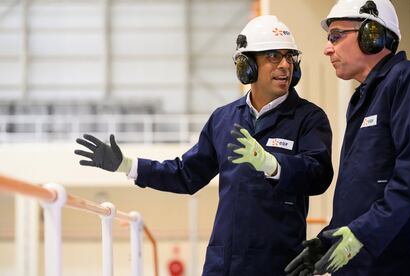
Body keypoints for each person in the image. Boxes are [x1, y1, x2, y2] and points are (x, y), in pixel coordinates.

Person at [75, 15, 333, 275]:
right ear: (248, 66)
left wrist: (272, 164)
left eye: (290, 57)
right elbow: (186, 175)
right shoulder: (224, 119)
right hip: (223, 265)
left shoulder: (308, 118)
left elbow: (319, 175)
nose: (285, 66)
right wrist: (128, 165)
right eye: (274, 56)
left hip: (279, 265)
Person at [285, 0, 410, 275]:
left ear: (372, 36)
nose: (327, 48)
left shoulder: (405, 81)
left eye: (336, 36)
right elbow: (361, 189)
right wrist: (329, 240)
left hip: (393, 261)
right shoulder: (365, 97)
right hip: (363, 263)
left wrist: (363, 234)